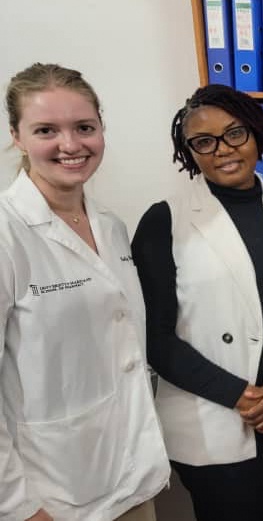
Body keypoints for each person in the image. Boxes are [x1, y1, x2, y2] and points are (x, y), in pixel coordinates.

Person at [130, 84, 263, 521]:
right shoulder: (163, 221)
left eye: (234, 134)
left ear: (256, 134)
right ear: (189, 152)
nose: (223, 150)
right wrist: (248, 400)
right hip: (215, 418)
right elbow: (157, 338)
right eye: (204, 142)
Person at [0, 63, 170, 521]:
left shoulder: (111, 227)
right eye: (46, 130)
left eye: (84, 127)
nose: (71, 144)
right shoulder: (6, 233)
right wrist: (18, 507)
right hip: (50, 497)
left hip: (132, 478)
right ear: (17, 136)